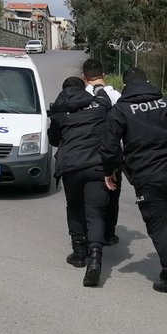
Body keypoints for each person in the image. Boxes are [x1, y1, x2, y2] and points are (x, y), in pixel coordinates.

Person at [100, 67, 167, 296]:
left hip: (146, 175)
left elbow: (108, 148)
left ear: (125, 85)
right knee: (164, 218)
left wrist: (110, 171)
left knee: (157, 226)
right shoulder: (165, 102)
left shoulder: (121, 109)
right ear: (147, 81)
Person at [48, 76, 112, 287]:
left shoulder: (59, 112)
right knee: (95, 212)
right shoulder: (99, 106)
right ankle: (95, 259)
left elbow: (54, 140)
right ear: (84, 88)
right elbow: (107, 102)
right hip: (96, 165)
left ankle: (78, 253)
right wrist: (99, 88)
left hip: (71, 167)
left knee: (75, 207)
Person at [83, 58, 122, 246]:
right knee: (113, 194)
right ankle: (108, 233)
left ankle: (88, 234)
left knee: (87, 197)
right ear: (103, 75)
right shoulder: (115, 96)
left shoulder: (81, 96)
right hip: (113, 152)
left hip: (88, 152)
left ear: (84, 77)